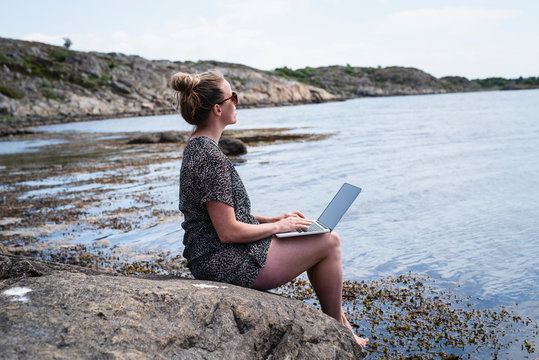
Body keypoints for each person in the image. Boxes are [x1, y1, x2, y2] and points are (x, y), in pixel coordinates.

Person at [172, 71, 368, 348]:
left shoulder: (199, 148)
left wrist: (274, 218)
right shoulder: (209, 157)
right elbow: (227, 231)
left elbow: (224, 216)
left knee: (314, 237)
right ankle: (339, 328)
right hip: (222, 261)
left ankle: (342, 325)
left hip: (212, 254)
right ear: (218, 109)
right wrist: (279, 228)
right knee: (329, 242)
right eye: (233, 97)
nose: (236, 103)